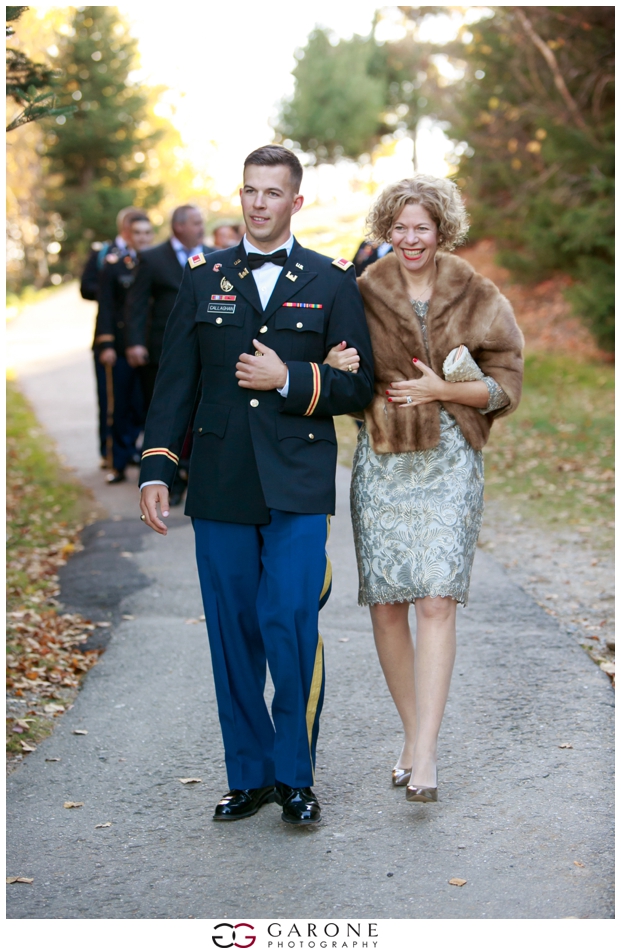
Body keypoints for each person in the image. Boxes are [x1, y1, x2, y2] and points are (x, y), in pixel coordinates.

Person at [139, 145, 374, 825]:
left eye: (272, 192)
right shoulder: (202, 276)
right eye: (249, 191)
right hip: (218, 481)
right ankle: (249, 777)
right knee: (231, 630)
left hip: (297, 483)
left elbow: (359, 386)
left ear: (295, 202)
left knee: (288, 623)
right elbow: (176, 381)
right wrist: (158, 467)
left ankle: (295, 777)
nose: (259, 203)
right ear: (240, 196)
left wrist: (293, 379)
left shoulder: (333, 281)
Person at [327, 175, 523, 803]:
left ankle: (428, 753)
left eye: (423, 227)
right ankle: (412, 736)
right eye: (401, 227)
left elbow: (506, 385)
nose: (411, 239)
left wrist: (443, 390)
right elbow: (337, 370)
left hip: (450, 459)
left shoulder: (476, 292)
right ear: (388, 230)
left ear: (442, 230)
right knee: (388, 604)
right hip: (383, 459)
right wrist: (336, 365)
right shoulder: (359, 292)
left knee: (437, 599)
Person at [125, 205, 212, 505]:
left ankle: (195, 473)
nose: (201, 228)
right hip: (162, 352)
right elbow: (136, 304)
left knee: (202, 415)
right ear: (178, 227)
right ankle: (168, 480)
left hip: (208, 353)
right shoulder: (151, 258)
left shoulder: (215, 257)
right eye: (196, 223)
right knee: (165, 414)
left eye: (202, 223)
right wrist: (134, 342)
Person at [94, 211, 154, 483]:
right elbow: (105, 307)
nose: (142, 238)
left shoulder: (158, 263)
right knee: (119, 407)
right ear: (128, 235)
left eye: (146, 233)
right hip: (119, 348)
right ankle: (117, 464)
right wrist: (105, 343)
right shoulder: (115, 265)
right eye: (137, 233)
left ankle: (150, 463)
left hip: (151, 348)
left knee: (148, 408)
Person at [81, 206, 141, 466]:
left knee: (137, 400)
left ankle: (129, 448)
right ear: (124, 229)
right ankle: (110, 453)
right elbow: (87, 288)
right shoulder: (104, 254)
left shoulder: (144, 257)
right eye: (133, 228)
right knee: (111, 402)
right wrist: (117, 288)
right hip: (111, 335)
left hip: (136, 337)